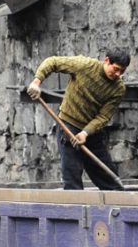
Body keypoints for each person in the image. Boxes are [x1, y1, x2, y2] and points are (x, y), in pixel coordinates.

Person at [27, 48, 130, 190]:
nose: (118, 74)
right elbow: (53, 62)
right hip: (68, 126)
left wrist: (85, 133)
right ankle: (75, 208)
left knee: (109, 177)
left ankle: (119, 206)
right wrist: (36, 82)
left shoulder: (119, 89)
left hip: (90, 132)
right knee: (72, 177)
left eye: (122, 71)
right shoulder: (85, 65)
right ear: (106, 61)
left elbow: (103, 116)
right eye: (116, 69)